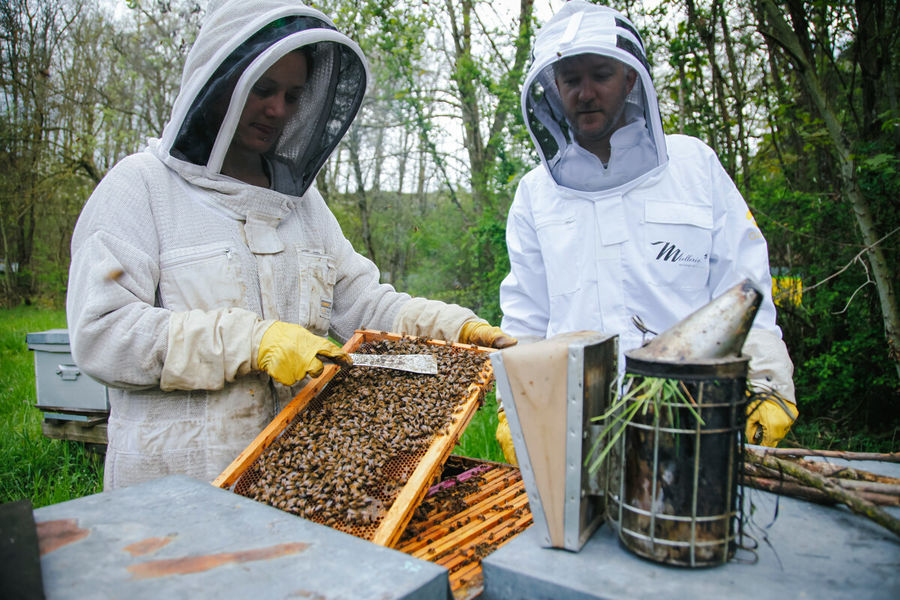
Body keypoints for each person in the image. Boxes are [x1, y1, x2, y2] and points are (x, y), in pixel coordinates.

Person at [66, 0, 514, 490]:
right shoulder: (141, 187)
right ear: (221, 83)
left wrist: (454, 327)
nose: (278, 109)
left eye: (293, 95)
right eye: (263, 89)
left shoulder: (301, 205)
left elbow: (362, 305)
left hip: (295, 486)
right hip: (174, 491)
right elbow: (102, 335)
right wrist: (249, 342)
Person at [495, 1, 796, 464]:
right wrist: (513, 405)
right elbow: (527, 321)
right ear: (554, 90)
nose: (586, 93)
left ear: (631, 78)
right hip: (575, 428)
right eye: (572, 80)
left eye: (601, 74)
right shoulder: (536, 193)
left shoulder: (695, 166)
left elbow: (743, 290)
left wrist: (767, 382)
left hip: (696, 417)